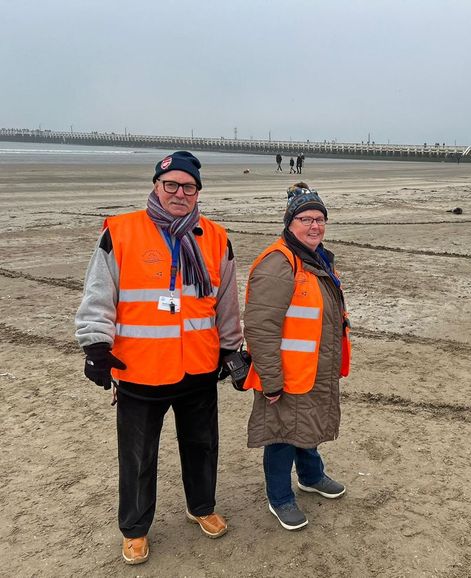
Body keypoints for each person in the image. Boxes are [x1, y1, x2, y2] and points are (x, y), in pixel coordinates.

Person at [75, 151, 242, 564]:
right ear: (156, 186)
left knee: (202, 446)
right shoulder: (121, 231)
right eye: (171, 185)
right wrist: (96, 346)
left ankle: (201, 507)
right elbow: (99, 294)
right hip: (140, 370)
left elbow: (226, 302)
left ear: (198, 191)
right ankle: (134, 528)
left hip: (198, 368)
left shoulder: (216, 237)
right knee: (137, 455)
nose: (179, 193)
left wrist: (231, 348)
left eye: (188, 186)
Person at [242, 183, 351, 531]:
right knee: (281, 435)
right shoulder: (279, 263)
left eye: (320, 219)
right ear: (290, 222)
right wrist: (271, 380)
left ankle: (311, 476)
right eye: (306, 218)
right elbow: (260, 327)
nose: (315, 226)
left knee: (308, 426)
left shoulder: (315, 259)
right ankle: (280, 498)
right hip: (285, 374)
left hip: (313, 368)